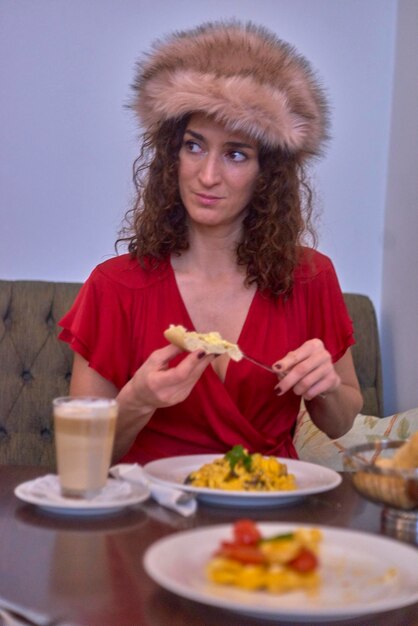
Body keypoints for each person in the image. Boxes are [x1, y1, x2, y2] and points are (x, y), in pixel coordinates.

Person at [59, 20, 363, 465]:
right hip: (150, 515)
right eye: (194, 146)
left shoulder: (311, 277)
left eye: (236, 154)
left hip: (266, 510)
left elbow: (340, 422)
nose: (207, 175)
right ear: (171, 155)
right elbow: (81, 460)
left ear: (268, 174)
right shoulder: (113, 286)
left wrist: (327, 389)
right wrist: (138, 400)